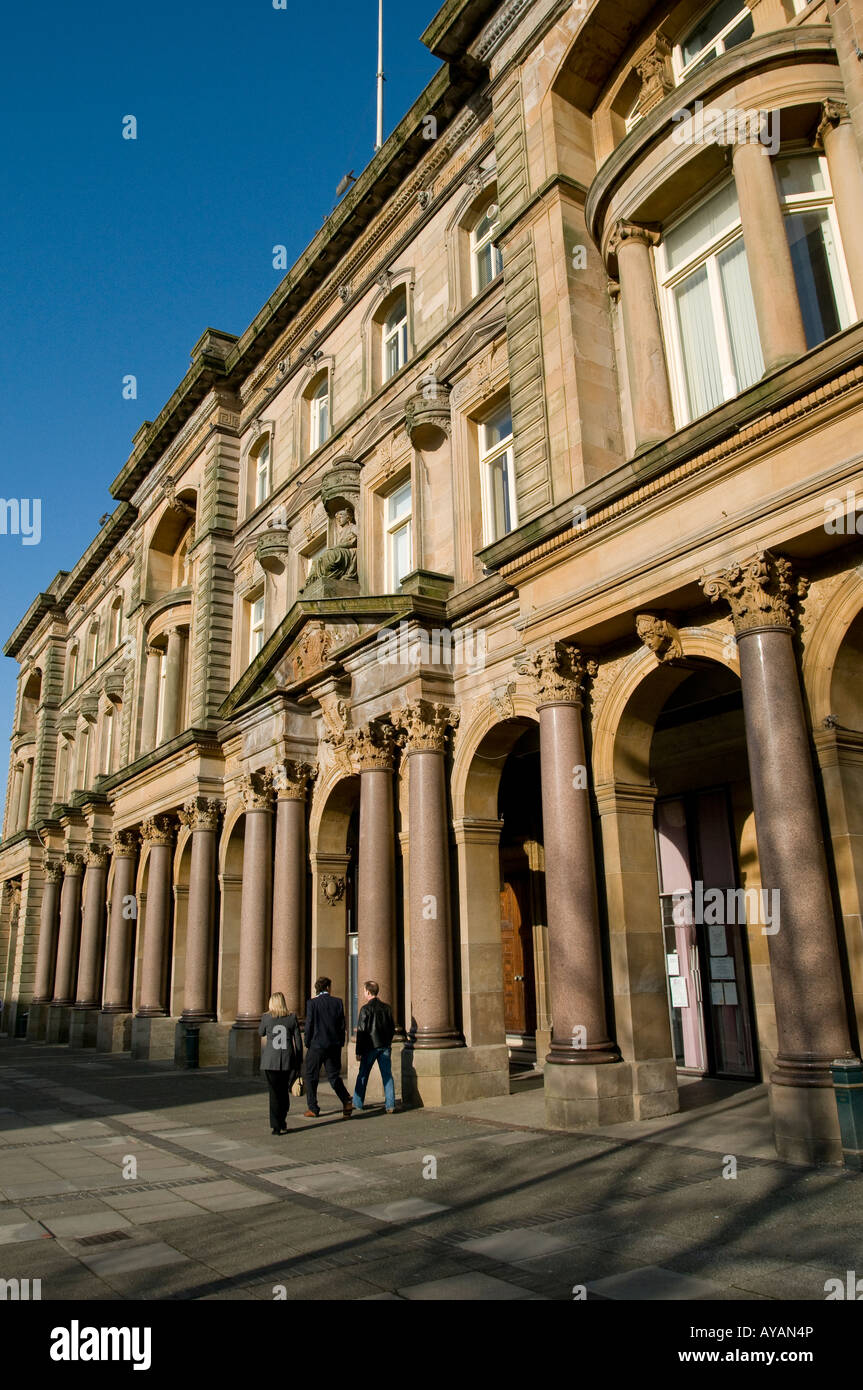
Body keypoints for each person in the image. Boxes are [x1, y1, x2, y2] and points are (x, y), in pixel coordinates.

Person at [303, 977, 353, 1118]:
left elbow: (309, 1025)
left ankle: (313, 1108)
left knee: (311, 1077)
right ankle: (346, 1099)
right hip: (333, 1046)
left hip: (316, 1045)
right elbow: (341, 1025)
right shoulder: (338, 1002)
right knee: (333, 1076)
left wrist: (307, 1042)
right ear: (328, 988)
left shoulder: (312, 1003)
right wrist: (341, 1043)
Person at [259, 992, 303, 1135]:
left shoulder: (267, 1017)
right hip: (287, 1060)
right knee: (284, 1091)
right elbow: (298, 1041)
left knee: (274, 1093)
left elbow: (261, 1033)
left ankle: (276, 1126)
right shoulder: (291, 1017)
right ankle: (282, 1119)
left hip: (270, 1061)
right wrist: (299, 1060)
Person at [352, 981, 396, 1115]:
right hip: (384, 1046)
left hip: (370, 1047)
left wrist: (358, 1051)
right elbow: (391, 1028)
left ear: (368, 992)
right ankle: (390, 1105)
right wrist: (387, 1042)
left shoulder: (365, 1009)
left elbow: (361, 1031)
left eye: (364, 991)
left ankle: (358, 1103)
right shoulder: (387, 1008)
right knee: (387, 1076)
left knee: (363, 1075)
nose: (364, 993)